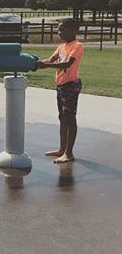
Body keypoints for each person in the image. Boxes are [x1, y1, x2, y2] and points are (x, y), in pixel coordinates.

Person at [35, 17, 84, 163]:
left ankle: (69, 153)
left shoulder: (77, 46)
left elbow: (67, 64)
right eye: (58, 29)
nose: (59, 32)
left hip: (71, 85)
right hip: (61, 85)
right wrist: (34, 63)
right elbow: (51, 60)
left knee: (70, 117)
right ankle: (62, 149)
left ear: (73, 30)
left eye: (62, 29)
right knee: (62, 117)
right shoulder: (61, 47)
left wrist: (45, 66)